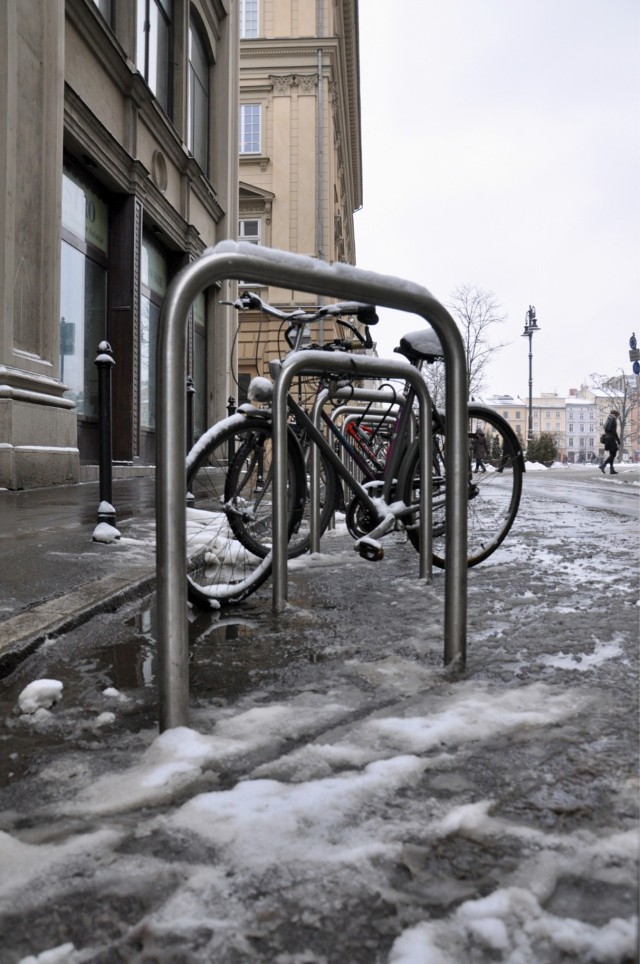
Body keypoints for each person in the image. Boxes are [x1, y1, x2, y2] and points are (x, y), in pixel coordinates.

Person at [600, 409, 621, 475]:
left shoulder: (608, 419)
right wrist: (618, 440)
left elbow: (606, 429)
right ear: (615, 414)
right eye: (617, 415)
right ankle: (603, 465)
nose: (617, 417)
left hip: (607, 438)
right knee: (613, 454)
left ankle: (612, 470)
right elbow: (614, 431)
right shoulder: (613, 420)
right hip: (611, 439)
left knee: (612, 454)